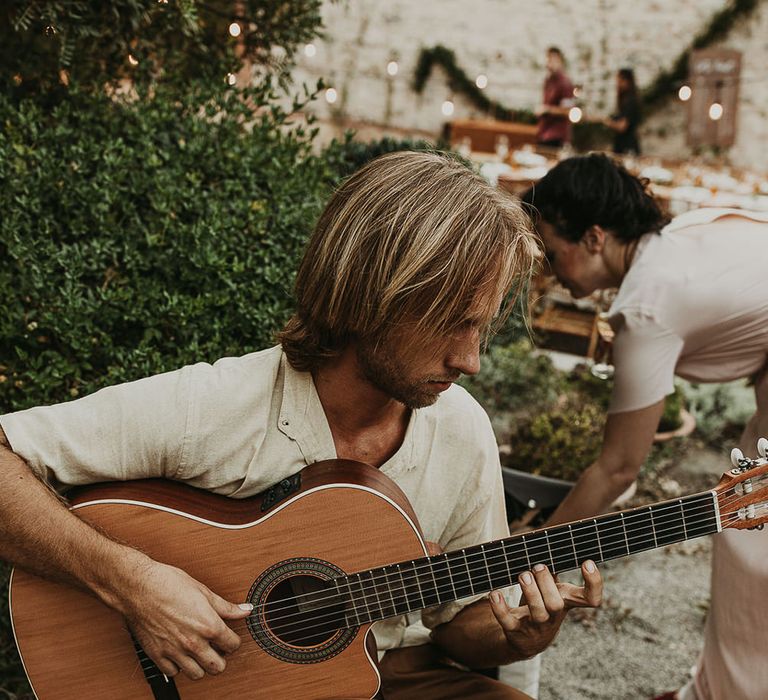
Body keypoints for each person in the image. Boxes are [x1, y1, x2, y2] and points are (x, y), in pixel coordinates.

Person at [0, 151, 603, 699]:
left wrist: (520, 638)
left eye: (482, 327)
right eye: (451, 323)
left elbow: (459, 629)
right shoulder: (217, 407)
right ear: (371, 297)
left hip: (383, 675)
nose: (470, 360)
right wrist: (134, 584)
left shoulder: (461, 430)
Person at [521, 153, 768, 700]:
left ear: (592, 237)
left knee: (753, 545)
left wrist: (532, 554)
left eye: (551, 250)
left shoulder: (646, 305)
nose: (547, 268)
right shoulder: (674, 242)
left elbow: (617, 468)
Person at [536, 46, 575, 149]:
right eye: (548, 58)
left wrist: (547, 110)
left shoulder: (565, 83)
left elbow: (567, 111)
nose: (549, 63)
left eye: (552, 59)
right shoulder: (548, 80)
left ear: (560, 60)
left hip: (556, 136)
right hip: (544, 133)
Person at [604, 68, 641, 155]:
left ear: (627, 81)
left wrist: (608, 122)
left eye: (619, 80)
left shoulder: (631, 101)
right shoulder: (625, 100)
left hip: (627, 147)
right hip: (622, 145)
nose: (617, 84)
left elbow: (622, 127)